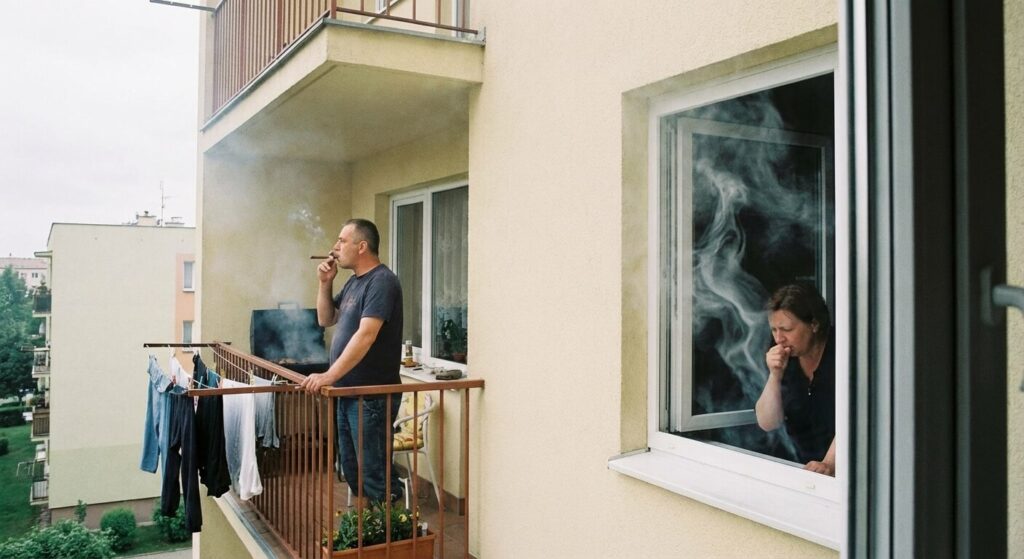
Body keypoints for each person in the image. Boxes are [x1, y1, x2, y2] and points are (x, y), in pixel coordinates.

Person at [300, 218, 404, 504]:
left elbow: (366, 336)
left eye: (341, 241)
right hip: (348, 393)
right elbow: (325, 319)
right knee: (354, 471)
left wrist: (328, 376)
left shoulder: (382, 281)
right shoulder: (354, 283)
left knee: (374, 473)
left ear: (362, 246)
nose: (335, 247)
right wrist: (324, 284)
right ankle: (367, 534)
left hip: (371, 396)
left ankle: (391, 532)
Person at [754, 283, 836, 476]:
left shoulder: (842, 352)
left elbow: (857, 415)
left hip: (838, 472)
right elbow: (768, 422)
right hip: (795, 467)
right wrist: (775, 375)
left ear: (814, 324)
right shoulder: (785, 359)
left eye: (786, 329)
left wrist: (829, 463)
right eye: (774, 330)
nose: (779, 338)